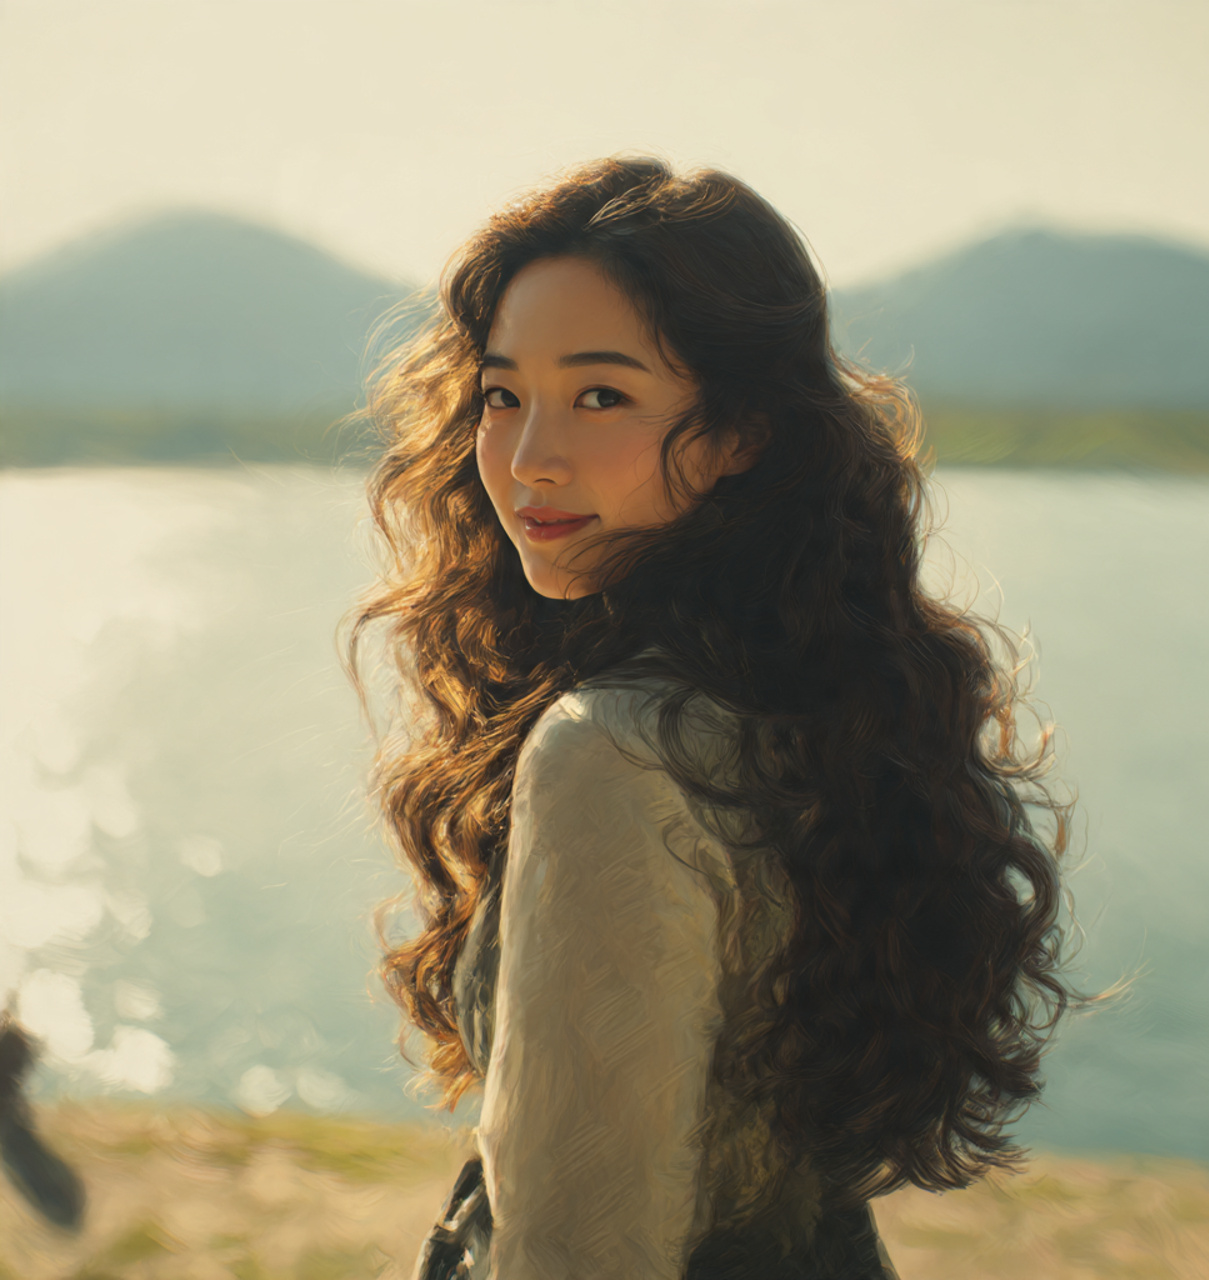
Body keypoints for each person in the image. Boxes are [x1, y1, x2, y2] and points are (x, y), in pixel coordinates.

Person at [351, 156, 1075, 1280]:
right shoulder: (820, 699)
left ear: (741, 432)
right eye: (501, 396)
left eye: (600, 395)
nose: (529, 457)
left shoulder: (609, 753)